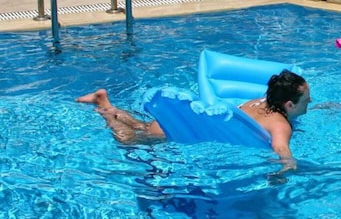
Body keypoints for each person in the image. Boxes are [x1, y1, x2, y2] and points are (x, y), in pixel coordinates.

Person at [76, 70, 311, 166]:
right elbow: (281, 149)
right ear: (289, 105)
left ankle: (106, 102)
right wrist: (288, 166)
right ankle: (104, 110)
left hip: (181, 121)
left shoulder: (259, 101)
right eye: (307, 101)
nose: (309, 103)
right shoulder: (280, 124)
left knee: (142, 126)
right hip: (180, 130)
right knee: (128, 140)